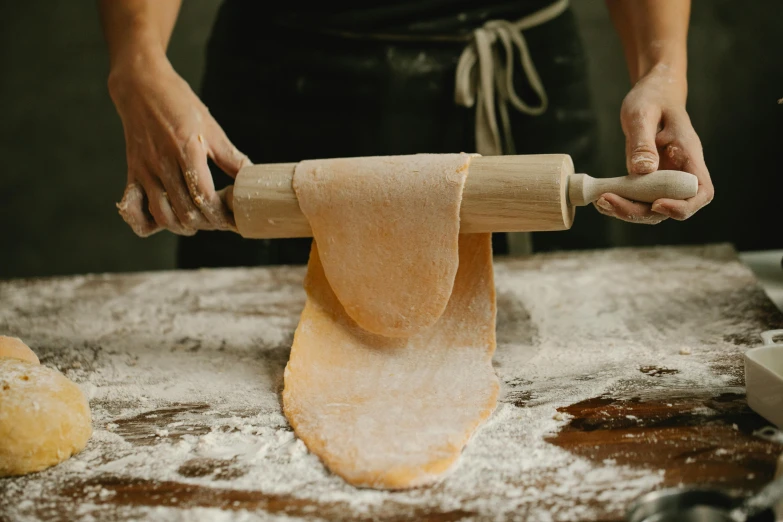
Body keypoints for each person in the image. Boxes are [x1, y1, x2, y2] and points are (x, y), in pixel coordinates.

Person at [99, 0, 714, 268]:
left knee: (545, 377)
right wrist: (138, 62)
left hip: (518, 92)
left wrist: (665, 69)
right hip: (283, 92)